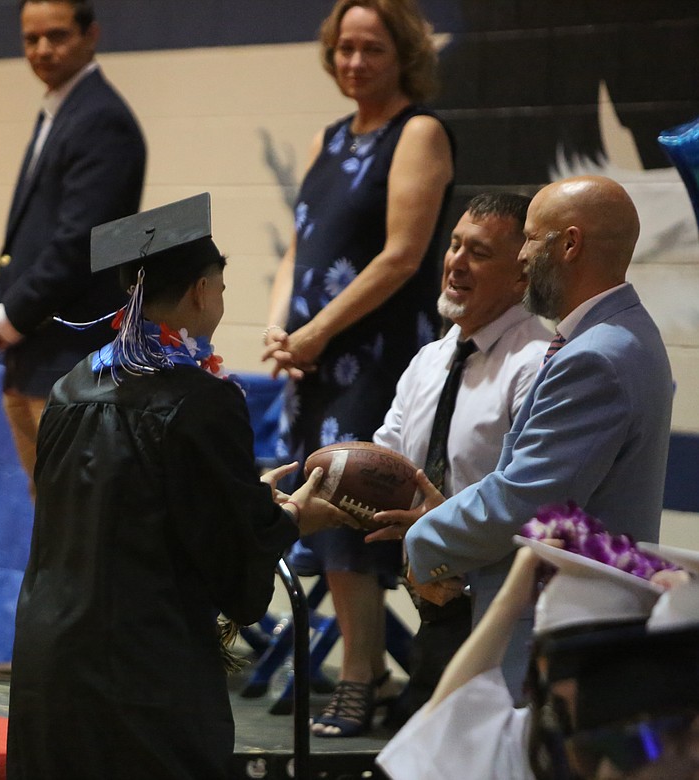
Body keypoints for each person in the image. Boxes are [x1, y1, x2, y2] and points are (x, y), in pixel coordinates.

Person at [6, 194, 352, 779]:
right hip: (141, 668)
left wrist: (245, 498)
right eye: (220, 283)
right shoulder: (201, 399)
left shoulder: (69, 387)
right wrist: (289, 516)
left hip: (51, 659)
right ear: (198, 290)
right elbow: (225, 553)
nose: (221, 296)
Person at [391, 175, 674, 700]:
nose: (520, 257)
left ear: (569, 245)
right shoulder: (623, 335)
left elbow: (525, 500)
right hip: (576, 621)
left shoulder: (596, 357)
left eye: (530, 239)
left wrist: (424, 539)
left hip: (560, 629)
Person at [261, 0, 455, 737]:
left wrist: (315, 333)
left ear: (402, 52)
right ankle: (365, 671)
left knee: (348, 509)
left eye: (370, 49)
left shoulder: (421, 132)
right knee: (319, 504)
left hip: (372, 356)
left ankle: (360, 679)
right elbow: (298, 247)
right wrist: (281, 328)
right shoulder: (327, 137)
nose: (353, 62)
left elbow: (402, 256)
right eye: (344, 48)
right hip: (312, 355)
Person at [364, 191, 552, 728]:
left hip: (504, 610)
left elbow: (525, 495)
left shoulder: (536, 364)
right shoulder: (429, 359)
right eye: (453, 245)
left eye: (479, 253)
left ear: (521, 277)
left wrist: (437, 536)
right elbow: (390, 462)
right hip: (435, 602)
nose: (456, 263)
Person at [0, 0, 146, 493]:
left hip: (70, 360)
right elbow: (35, 235)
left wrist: (10, 317)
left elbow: (82, 242)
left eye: (58, 36)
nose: (42, 49)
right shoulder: (61, 110)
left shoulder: (100, 118)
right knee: (50, 512)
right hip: (35, 356)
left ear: (91, 35)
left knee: (79, 518)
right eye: (31, 39)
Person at [377, 534, 699, 780]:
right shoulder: (533, 739)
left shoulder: (654, 744)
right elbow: (452, 711)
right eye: (563, 665)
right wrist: (510, 600)